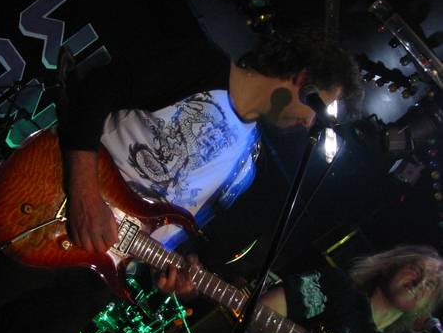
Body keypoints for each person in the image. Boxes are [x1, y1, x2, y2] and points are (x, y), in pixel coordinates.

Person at [58, 25, 362, 296]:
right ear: (303, 78)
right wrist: (84, 192)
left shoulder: (250, 165)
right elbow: (94, 91)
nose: (310, 124)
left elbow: (173, 229)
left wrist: (174, 273)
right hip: (55, 197)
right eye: (319, 108)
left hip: (96, 273)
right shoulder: (202, 62)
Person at [247, 245, 443, 333]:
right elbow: (266, 309)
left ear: (425, 306)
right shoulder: (339, 288)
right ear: (389, 266)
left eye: (430, 284)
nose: (420, 282)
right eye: (416, 269)